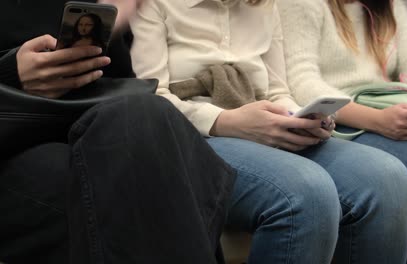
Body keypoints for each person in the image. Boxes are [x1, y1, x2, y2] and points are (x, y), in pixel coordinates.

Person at [130, 0, 407, 263]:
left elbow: (278, 90)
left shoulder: (265, 5)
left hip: (266, 123)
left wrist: (298, 117)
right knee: (307, 191)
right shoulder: (154, 4)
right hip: (195, 135)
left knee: (388, 176)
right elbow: (149, 99)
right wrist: (226, 121)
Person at [0, 0, 236, 263]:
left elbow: (124, 77)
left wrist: (112, 21)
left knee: (146, 119)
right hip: (16, 137)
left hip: (107, 116)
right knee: (135, 181)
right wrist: (12, 73)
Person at [277, 0, 407, 263]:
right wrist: (378, 120)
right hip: (339, 121)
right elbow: (299, 80)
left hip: (387, 112)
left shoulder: (387, 5)